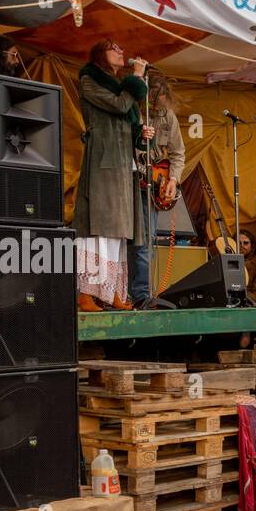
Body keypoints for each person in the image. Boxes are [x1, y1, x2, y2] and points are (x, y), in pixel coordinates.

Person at [74, 40, 148, 312]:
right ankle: (86, 294)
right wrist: (137, 78)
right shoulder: (89, 81)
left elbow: (129, 123)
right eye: (114, 48)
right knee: (100, 230)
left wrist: (142, 135)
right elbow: (118, 106)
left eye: (121, 47)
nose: (121, 51)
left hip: (122, 165)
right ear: (99, 55)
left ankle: (114, 292)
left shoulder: (120, 87)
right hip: (104, 162)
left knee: (118, 234)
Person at [128, 67, 185, 308]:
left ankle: (143, 294)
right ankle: (129, 293)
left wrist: (172, 180)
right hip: (128, 179)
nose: (159, 102)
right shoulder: (130, 111)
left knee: (147, 240)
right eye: (155, 96)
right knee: (125, 240)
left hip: (152, 185)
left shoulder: (168, 117)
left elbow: (178, 152)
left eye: (163, 97)